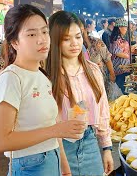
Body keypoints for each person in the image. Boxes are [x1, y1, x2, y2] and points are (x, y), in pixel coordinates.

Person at [0, 4, 86, 176]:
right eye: (31, 34)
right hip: (28, 166)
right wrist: (56, 130)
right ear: (15, 42)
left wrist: (65, 170)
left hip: (51, 161)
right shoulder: (11, 78)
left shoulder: (41, 75)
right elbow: (0, 140)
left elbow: (51, 126)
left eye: (44, 32)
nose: (42, 39)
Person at [46, 11, 114, 176]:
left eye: (78, 36)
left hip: (89, 141)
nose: (74, 43)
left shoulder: (92, 70)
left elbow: (103, 108)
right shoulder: (46, 76)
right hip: (58, 146)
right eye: (66, 39)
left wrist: (106, 147)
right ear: (55, 40)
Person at [78, 16, 116, 94]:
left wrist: (112, 75)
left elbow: (107, 58)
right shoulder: (76, 47)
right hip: (84, 87)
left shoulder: (97, 42)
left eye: (80, 30)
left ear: (85, 28)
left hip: (101, 82)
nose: (78, 33)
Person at [110, 18, 131, 94]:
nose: (126, 29)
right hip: (119, 69)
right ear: (119, 28)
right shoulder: (116, 40)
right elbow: (116, 52)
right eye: (125, 27)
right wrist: (128, 56)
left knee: (126, 88)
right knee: (124, 89)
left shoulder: (121, 38)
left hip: (125, 68)